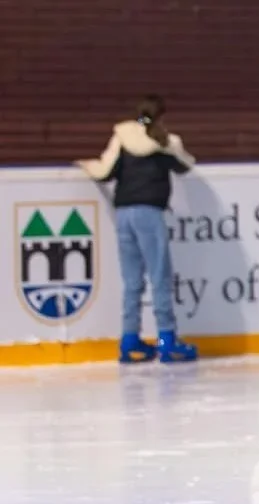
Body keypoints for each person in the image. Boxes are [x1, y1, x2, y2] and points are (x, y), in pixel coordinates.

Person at [76, 94, 198, 364]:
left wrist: (85, 165)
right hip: (149, 214)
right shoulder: (164, 142)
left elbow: (104, 171)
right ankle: (167, 340)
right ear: (162, 116)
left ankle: (130, 340)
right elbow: (186, 165)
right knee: (159, 276)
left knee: (132, 281)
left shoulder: (122, 137)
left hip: (124, 215)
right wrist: (170, 144)